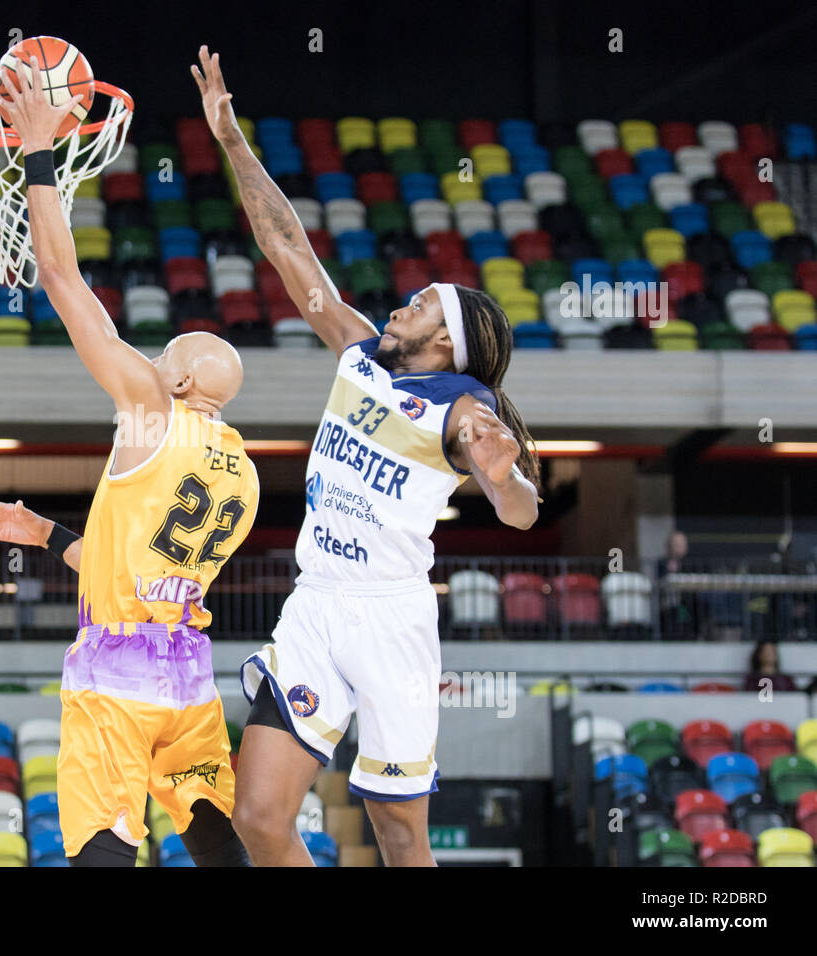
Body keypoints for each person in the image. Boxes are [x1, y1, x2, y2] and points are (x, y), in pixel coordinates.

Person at [191, 46, 540, 866]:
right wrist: (232, 139)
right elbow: (287, 250)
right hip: (317, 603)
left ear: (447, 340)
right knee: (260, 816)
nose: (403, 301)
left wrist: (505, 476)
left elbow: (520, 508)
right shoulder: (358, 352)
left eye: (422, 304)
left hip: (391, 618)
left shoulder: (464, 406)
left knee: (396, 830)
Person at [0, 59, 258, 867]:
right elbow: (136, 559)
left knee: (102, 840)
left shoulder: (150, 405)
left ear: (175, 379)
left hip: (117, 671)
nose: (147, 356)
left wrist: (35, 152)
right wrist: (47, 533)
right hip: (189, 671)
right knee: (209, 832)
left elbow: (62, 279)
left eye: (162, 351)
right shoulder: (239, 468)